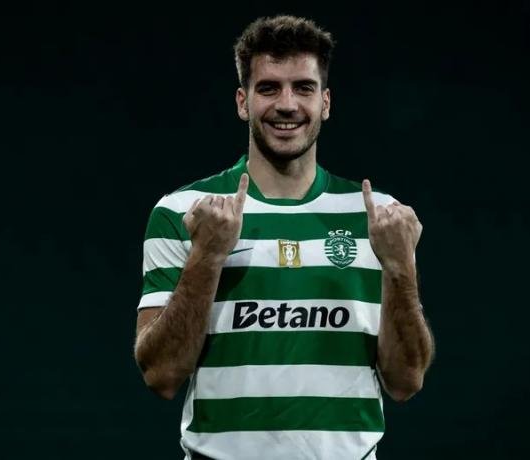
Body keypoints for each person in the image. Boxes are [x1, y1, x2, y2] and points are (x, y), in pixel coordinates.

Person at [133, 15, 435, 460]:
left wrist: (399, 267)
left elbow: (406, 382)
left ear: (326, 102)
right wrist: (207, 256)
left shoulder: (379, 217)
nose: (287, 104)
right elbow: (160, 376)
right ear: (243, 102)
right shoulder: (183, 211)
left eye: (304, 88)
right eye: (269, 88)